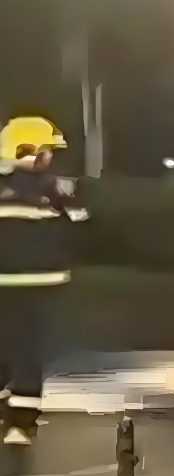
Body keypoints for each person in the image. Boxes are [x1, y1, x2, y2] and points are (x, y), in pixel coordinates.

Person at [0, 116, 88, 445]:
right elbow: (80, 231)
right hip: (40, 287)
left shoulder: (52, 188)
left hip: (23, 286)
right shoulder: (58, 189)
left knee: (13, 353)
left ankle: (16, 418)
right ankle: (21, 424)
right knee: (26, 354)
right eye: (44, 151)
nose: (49, 157)